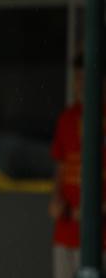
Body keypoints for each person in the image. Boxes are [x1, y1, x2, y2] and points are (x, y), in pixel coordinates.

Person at [49, 54, 106, 278]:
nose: (81, 84)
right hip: (66, 231)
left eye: (86, 78)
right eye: (78, 78)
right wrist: (56, 199)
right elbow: (61, 167)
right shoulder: (67, 118)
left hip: (100, 237)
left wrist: (95, 210)